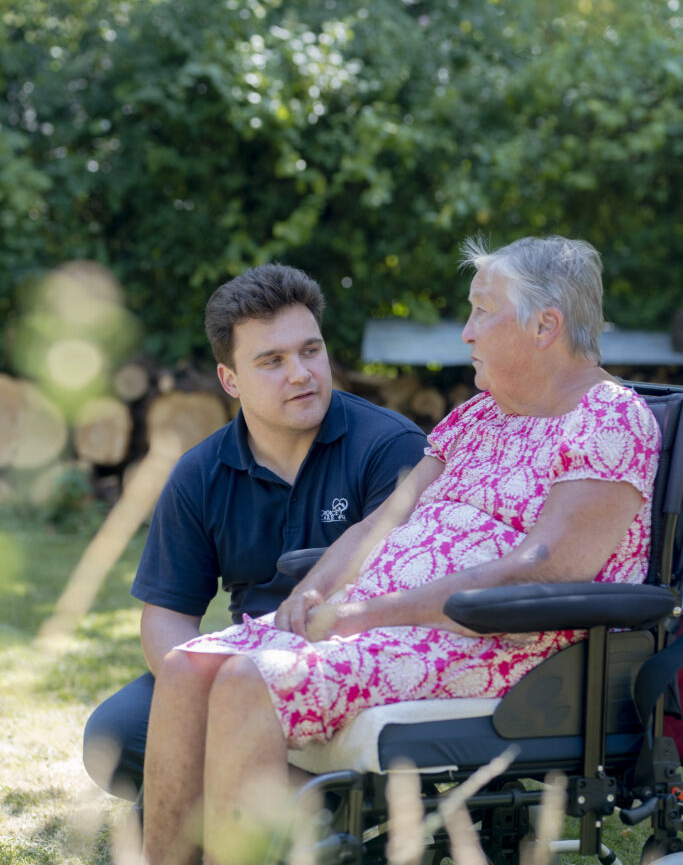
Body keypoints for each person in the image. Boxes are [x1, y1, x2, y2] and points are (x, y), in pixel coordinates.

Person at [142, 236, 661, 865]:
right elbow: (380, 522)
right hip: (387, 626)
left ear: (545, 325)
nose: (467, 333)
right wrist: (320, 587)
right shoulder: (480, 417)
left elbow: (546, 569)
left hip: (497, 646)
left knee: (249, 681)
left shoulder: (606, 418)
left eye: (481, 311)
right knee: (185, 670)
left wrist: (369, 615)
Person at [82, 264, 426, 799]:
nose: (300, 373)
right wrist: (205, 690)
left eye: (311, 351)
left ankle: (291, 809)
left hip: (354, 669)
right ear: (230, 380)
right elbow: (167, 619)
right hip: (241, 664)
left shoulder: (392, 448)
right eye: (272, 360)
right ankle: (295, 806)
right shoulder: (199, 473)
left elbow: (406, 599)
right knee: (115, 737)